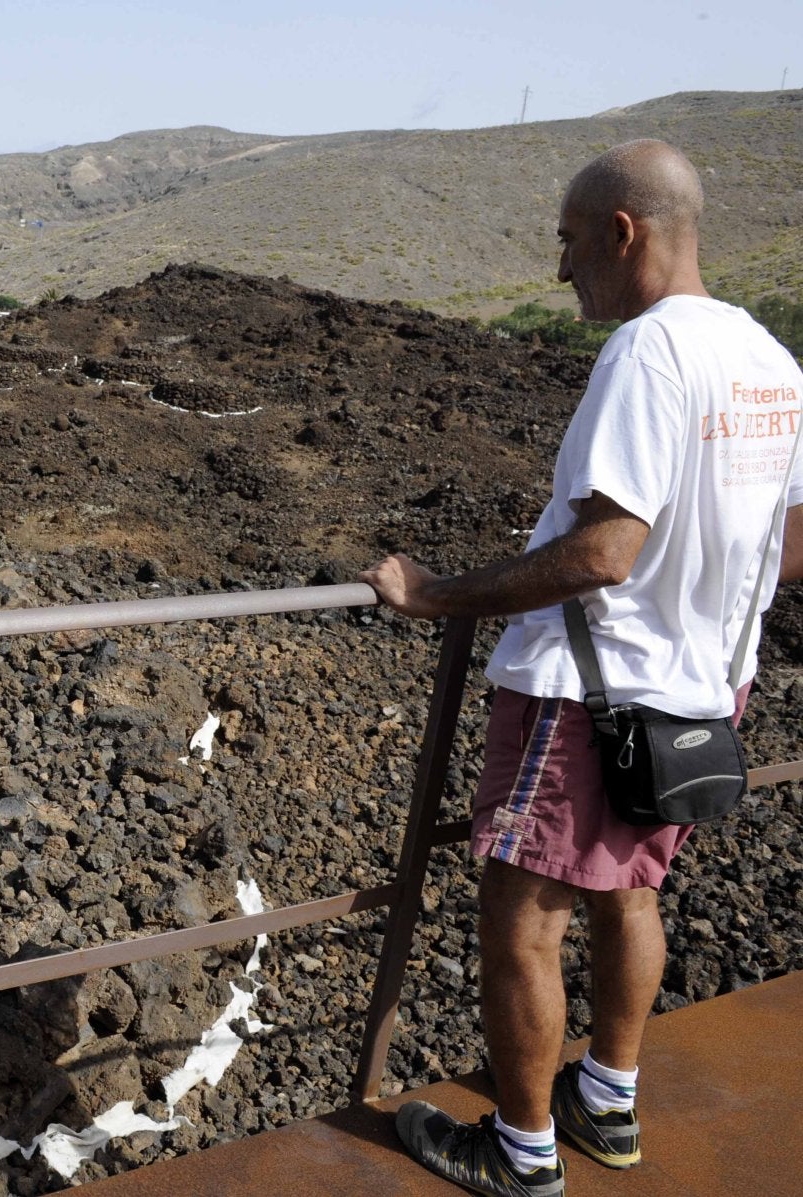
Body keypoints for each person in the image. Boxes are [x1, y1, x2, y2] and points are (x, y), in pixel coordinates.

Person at [361, 138, 803, 1197]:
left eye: (567, 243)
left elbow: (605, 549)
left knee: (523, 921)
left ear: (623, 232)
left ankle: (520, 1160)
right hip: (702, 692)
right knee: (631, 890)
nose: (560, 270)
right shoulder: (771, 360)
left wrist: (433, 595)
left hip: (587, 696)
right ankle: (604, 1106)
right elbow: (790, 546)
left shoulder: (648, 352)